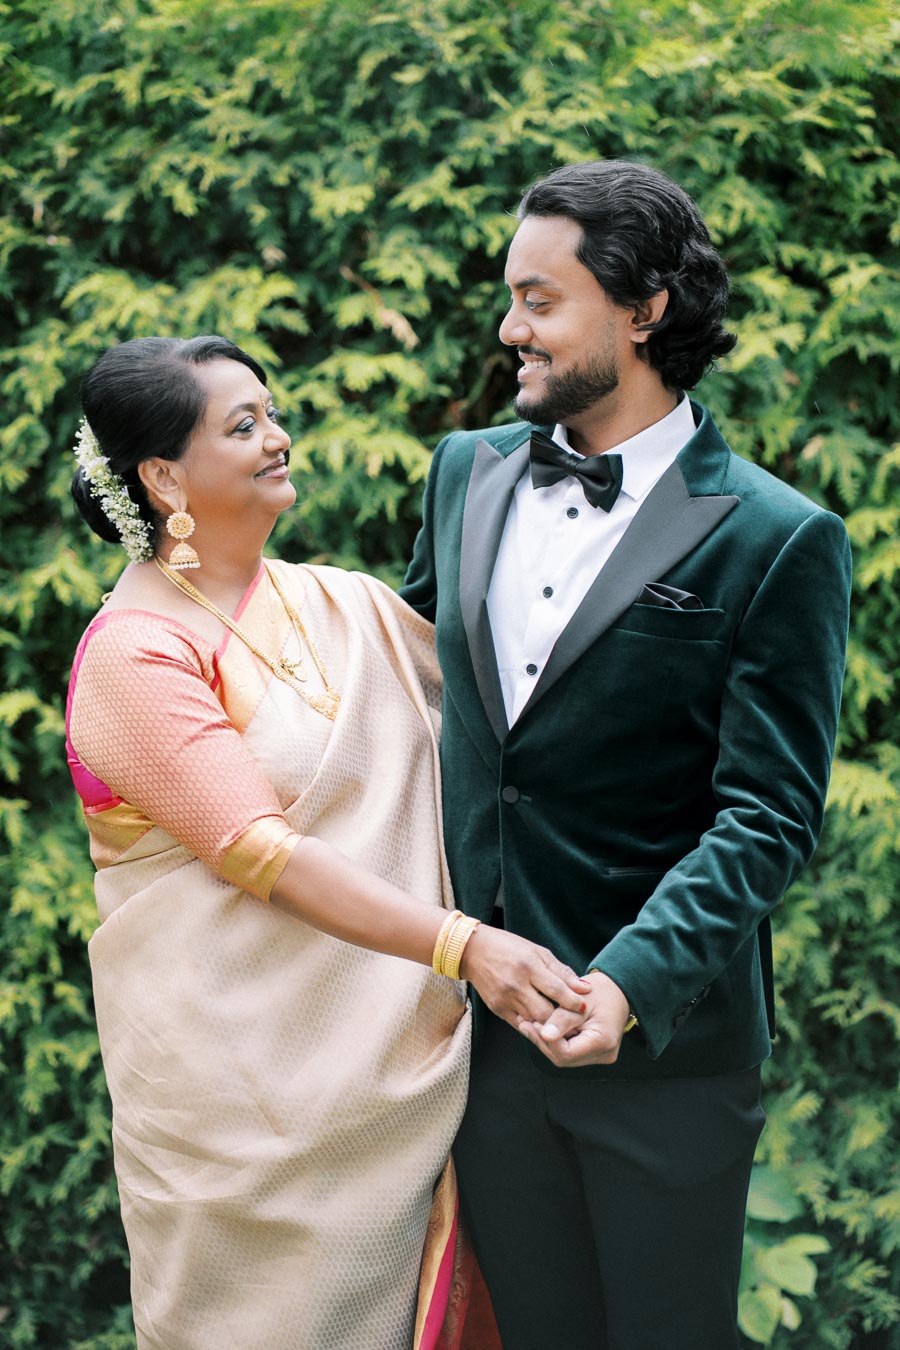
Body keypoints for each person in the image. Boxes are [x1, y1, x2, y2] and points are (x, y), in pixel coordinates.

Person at [400, 160, 852, 1349]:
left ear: (644, 308)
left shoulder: (778, 538)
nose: (510, 329)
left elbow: (767, 812)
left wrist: (630, 988)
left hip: (667, 1062)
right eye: (512, 297)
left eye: (540, 301)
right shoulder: (466, 473)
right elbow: (395, 694)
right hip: (483, 1048)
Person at [65, 335, 590, 1350]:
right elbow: (261, 855)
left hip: (395, 1069)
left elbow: (492, 723)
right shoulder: (136, 653)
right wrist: (465, 945)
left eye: (272, 413)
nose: (279, 438)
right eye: (244, 425)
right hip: (245, 1115)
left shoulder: (336, 600)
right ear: (165, 476)